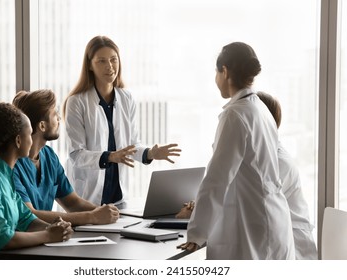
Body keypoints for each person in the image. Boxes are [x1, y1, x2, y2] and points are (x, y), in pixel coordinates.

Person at [177, 42, 295, 259]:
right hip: (273, 221)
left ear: (225, 71)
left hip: (252, 228)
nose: (215, 79)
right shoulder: (259, 108)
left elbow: (217, 179)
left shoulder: (236, 114)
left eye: (216, 72)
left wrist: (196, 234)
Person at [62, 35, 182, 206]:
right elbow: (76, 154)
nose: (109, 66)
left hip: (119, 198)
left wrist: (150, 153)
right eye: (101, 61)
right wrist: (110, 157)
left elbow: (132, 145)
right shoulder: (77, 101)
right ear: (89, 65)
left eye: (113, 59)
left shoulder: (126, 98)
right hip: (88, 197)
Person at [0, 102, 73, 260]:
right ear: (18, 141)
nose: (32, 140)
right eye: (30, 134)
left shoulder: (5, 174)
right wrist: (48, 235)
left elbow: (26, 220)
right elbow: (1, 237)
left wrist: (56, 228)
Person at [12, 89, 120, 226]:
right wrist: (92, 217)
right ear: (42, 126)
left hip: (45, 238)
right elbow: (30, 214)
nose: (59, 118)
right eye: (55, 114)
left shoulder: (49, 156)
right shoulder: (13, 163)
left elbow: (72, 202)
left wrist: (106, 212)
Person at [256, 91, 318, 260]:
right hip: (271, 241)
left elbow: (255, 205)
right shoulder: (260, 152)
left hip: (291, 248)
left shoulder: (278, 161)